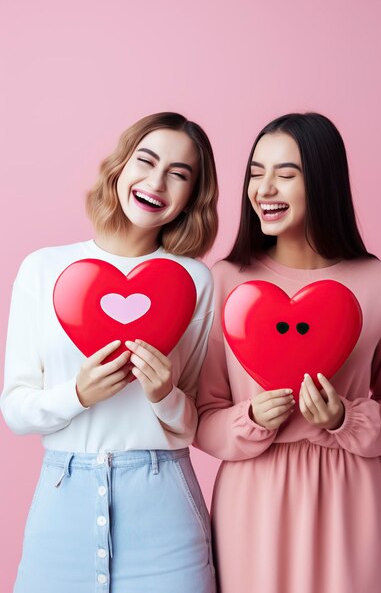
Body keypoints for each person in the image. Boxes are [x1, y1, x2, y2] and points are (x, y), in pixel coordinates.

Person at [195, 112, 381, 593]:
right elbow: (201, 413)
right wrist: (250, 417)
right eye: (256, 172)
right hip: (254, 501)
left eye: (285, 174)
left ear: (323, 180)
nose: (264, 188)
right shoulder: (227, 282)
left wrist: (346, 418)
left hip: (355, 501)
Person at [1, 112, 218, 593]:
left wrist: (163, 394)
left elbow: (195, 420)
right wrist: (77, 393)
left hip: (165, 511)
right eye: (147, 160)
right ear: (121, 167)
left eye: (179, 174)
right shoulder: (44, 269)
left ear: (190, 199)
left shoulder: (195, 282)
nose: (157, 182)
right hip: (60, 509)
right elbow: (15, 409)